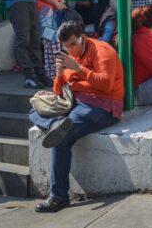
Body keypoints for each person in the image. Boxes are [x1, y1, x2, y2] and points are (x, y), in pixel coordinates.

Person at [29, 21, 124, 213]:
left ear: (83, 36)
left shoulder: (102, 50)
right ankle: (56, 123)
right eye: (66, 46)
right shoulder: (67, 56)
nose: (70, 49)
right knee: (34, 109)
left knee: (60, 138)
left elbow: (105, 84)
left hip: (102, 105)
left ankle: (58, 197)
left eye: (73, 44)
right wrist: (59, 73)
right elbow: (58, 91)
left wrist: (79, 68)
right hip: (73, 102)